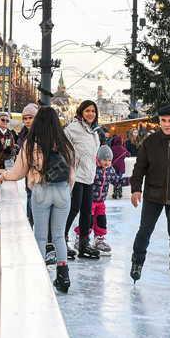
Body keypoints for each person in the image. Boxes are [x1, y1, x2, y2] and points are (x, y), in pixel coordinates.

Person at [2, 106, 75, 293]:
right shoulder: (65, 143)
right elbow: (72, 174)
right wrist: (66, 191)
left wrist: (5, 175)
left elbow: (18, 172)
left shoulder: (31, 143)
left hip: (41, 190)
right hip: (63, 191)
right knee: (59, 236)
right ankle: (63, 275)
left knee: (41, 236)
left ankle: (40, 275)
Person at [130, 104, 170, 285]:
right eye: (164, 120)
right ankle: (137, 263)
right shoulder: (150, 142)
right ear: (159, 122)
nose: (167, 124)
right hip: (153, 195)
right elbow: (139, 168)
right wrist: (136, 189)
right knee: (145, 230)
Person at [64, 100, 102, 260]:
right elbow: (64, 149)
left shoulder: (94, 131)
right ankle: (61, 240)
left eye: (93, 111)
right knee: (73, 209)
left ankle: (84, 244)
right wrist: (73, 163)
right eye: (87, 111)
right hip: (76, 176)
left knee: (87, 212)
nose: (91, 114)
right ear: (81, 112)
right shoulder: (72, 128)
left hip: (89, 175)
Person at [83, 145, 120, 253]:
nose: (107, 162)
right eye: (104, 160)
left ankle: (99, 239)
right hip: (90, 201)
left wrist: (132, 180)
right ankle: (82, 238)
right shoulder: (93, 168)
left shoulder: (110, 170)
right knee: (88, 220)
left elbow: (116, 181)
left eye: (109, 160)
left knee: (101, 220)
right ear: (98, 159)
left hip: (101, 202)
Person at [109, 134, 128, 199]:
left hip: (114, 167)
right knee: (120, 180)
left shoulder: (111, 149)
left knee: (115, 180)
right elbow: (128, 154)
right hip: (121, 167)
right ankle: (119, 193)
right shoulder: (123, 149)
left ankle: (115, 193)